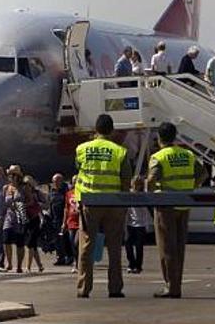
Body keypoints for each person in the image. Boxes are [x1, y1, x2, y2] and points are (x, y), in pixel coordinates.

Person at [146, 122, 207, 298]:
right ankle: (176, 284)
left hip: (166, 206)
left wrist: (149, 193)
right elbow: (203, 173)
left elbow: (151, 180)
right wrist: (191, 187)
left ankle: (171, 286)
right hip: (185, 205)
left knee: (167, 247)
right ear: (174, 137)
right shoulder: (188, 155)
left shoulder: (158, 157)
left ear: (159, 138)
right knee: (179, 247)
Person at [75, 114, 131, 299]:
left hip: (90, 202)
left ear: (95, 130)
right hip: (113, 202)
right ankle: (115, 288)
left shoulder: (82, 149)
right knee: (114, 247)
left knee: (87, 246)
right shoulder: (120, 151)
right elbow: (126, 180)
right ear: (112, 131)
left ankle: (84, 288)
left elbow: (78, 169)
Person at [2, 165, 27, 272]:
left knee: (19, 242)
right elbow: (4, 202)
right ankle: (9, 263)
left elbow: (30, 200)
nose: (12, 177)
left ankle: (19, 265)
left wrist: (21, 205)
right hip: (9, 216)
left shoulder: (23, 188)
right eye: (10, 175)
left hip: (20, 216)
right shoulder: (6, 188)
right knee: (6, 239)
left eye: (14, 175)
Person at [125, 177, 151, 274]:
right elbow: (127, 210)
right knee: (128, 244)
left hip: (141, 224)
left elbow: (145, 212)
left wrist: (147, 224)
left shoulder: (143, 195)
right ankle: (131, 263)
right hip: (130, 223)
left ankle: (138, 266)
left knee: (139, 246)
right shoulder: (129, 195)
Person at [22, 176, 46, 273]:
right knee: (33, 245)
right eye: (25, 185)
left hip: (35, 219)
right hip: (25, 219)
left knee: (30, 244)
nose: (26, 187)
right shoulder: (22, 194)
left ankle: (28, 267)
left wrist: (36, 205)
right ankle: (40, 265)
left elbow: (45, 203)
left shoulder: (36, 193)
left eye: (28, 185)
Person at [48, 174, 71, 266]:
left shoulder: (66, 191)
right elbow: (50, 203)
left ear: (62, 181)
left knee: (65, 239)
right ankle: (60, 257)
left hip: (64, 218)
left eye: (58, 181)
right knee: (57, 239)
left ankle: (69, 256)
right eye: (54, 181)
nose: (56, 183)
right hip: (55, 219)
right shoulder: (52, 191)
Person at [62, 175, 80, 273]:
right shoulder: (69, 194)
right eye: (74, 181)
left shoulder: (83, 193)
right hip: (71, 222)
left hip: (81, 222)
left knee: (77, 243)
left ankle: (79, 262)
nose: (75, 183)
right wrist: (64, 223)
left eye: (77, 181)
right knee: (72, 243)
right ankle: (75, 262)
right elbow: (66, 208)